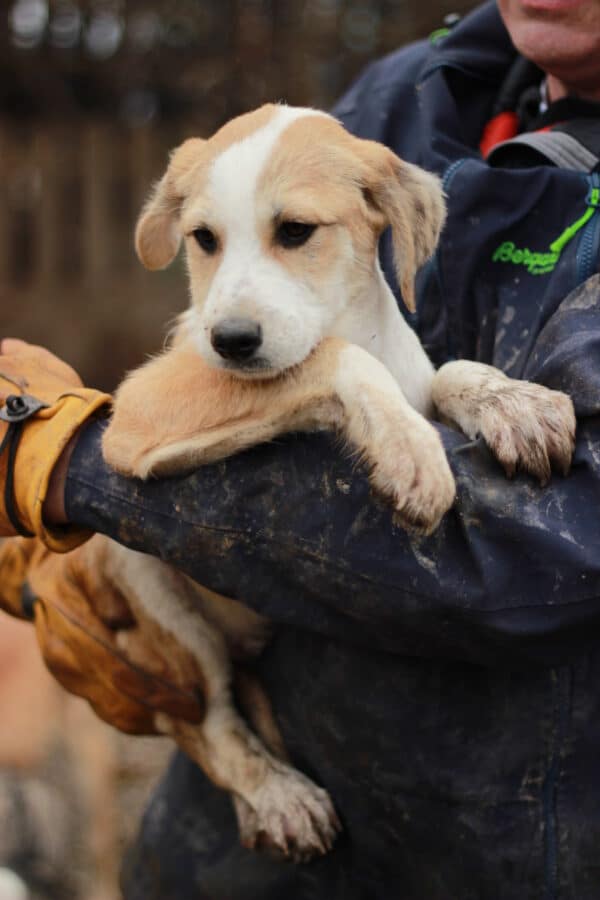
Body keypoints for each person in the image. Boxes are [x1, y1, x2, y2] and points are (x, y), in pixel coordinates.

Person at [1, 0, 600, 896]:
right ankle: (234, 758)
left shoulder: (377, 171)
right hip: (247, 832)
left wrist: (70, 472)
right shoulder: (411, 89)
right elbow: (143, 427)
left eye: (293, 235)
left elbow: (546, 555)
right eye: (204, 241)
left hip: (497, 847)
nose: (233, 300)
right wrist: (64, 498)